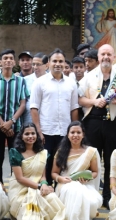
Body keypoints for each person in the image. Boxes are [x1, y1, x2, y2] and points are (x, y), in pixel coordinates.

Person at [78, 44, 116, 208]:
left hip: (112, 123)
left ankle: (109, 196)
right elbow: (79, 99)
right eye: (103, 54)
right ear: (98, 57)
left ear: (114, 58)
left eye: (109, 54)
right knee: (92, 160)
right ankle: (91, 196)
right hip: (93, 123)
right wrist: (94, 101)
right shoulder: (89, 76)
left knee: (112, 160)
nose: (106, 57)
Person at [30, 49, 79, 181]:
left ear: (64, 63)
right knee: (45, 163)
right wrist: (38, 131)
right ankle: (45, 192)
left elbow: (74, 108)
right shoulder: (40, 82)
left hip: (65, 131)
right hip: (46, 131)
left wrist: (74, 131)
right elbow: (34, 107)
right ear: (48, 64)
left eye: (61, 61)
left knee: (62, 164)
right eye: (54, 61)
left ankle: (59, 192)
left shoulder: (71, 83)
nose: (58, 64)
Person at [7, 123, 65, 220]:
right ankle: (16, 212)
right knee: (31, 214)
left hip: (38, 187)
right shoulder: (15, 152)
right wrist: (39, 186)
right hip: (21, 190)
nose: (30, 136)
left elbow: (42, 176)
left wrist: (44, 184)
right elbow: (20, 178)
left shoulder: (42, 153)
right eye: (27, 134)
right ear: (21, 136)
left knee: (52, 199)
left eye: (33, 133)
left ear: (37, 135)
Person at [51, 121, 102, 220]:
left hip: (84, 184)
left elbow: (95, 172)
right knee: (75, 188)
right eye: (72, 132)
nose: (75, 135)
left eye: (78, 132)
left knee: (92, 203)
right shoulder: (61, 151)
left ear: (83, 134)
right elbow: (53, 173)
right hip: (65, 185)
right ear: (68, 135)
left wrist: (87, 178)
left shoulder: (90, 152)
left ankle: (74, 217)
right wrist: (60, 178)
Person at [0, 49, 28, 182]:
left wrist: (11, 121)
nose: (8, 60)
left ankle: (15, 183)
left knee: (15, 156)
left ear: (14, 62)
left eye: (11, 58)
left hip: (15, 126)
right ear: (0, 62)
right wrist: (2, 123)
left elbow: (22, 104)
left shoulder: (21, 81)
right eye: (5, 58)